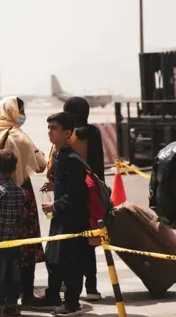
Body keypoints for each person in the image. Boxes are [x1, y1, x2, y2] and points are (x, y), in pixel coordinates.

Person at [0, 96, 47, 305]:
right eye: (21, 111)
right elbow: (41, 165)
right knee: (25, 244)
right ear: (13, 112)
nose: (22, 116)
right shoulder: (19, 136)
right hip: (19, 194)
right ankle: (26, 293)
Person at [33, 112, 90, 317]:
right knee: (54, 258)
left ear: (67, 133)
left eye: (54, 128)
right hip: (60, 217)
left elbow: (76, 194)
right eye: (48, 128)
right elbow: (65, 185)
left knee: (70, 261)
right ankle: (53, 296)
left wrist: (55, 205)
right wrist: (53, 185)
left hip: (72, 219)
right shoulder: (58, 155)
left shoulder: (72, 159)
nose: (49, 133)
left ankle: (72, 303)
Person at [65, 96, 105, 301]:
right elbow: (99, 164)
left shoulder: (69, 135)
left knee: (70, 242)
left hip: (73, 193)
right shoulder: (94, 132)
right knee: (89, 242)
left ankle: (70, 286)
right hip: (93, 191)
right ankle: (92, 288)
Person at [0, 149, 26, 317]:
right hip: (13, 240)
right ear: (15, 168)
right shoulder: (19, 191)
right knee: (12, 274)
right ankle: (12, 304)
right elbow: (20, 218)